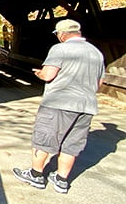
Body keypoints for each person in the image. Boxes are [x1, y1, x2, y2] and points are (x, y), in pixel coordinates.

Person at [13, 19, 105, 193]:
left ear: (62, 34)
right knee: (72, 144)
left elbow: (49, 75)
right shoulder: (96, 53)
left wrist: (40, 74)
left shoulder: (60, 49)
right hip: (86, 106)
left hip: (58, 102)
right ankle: (62, 180)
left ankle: (36, 175)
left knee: (45, 138)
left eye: (57, 35)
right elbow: (99, 83)